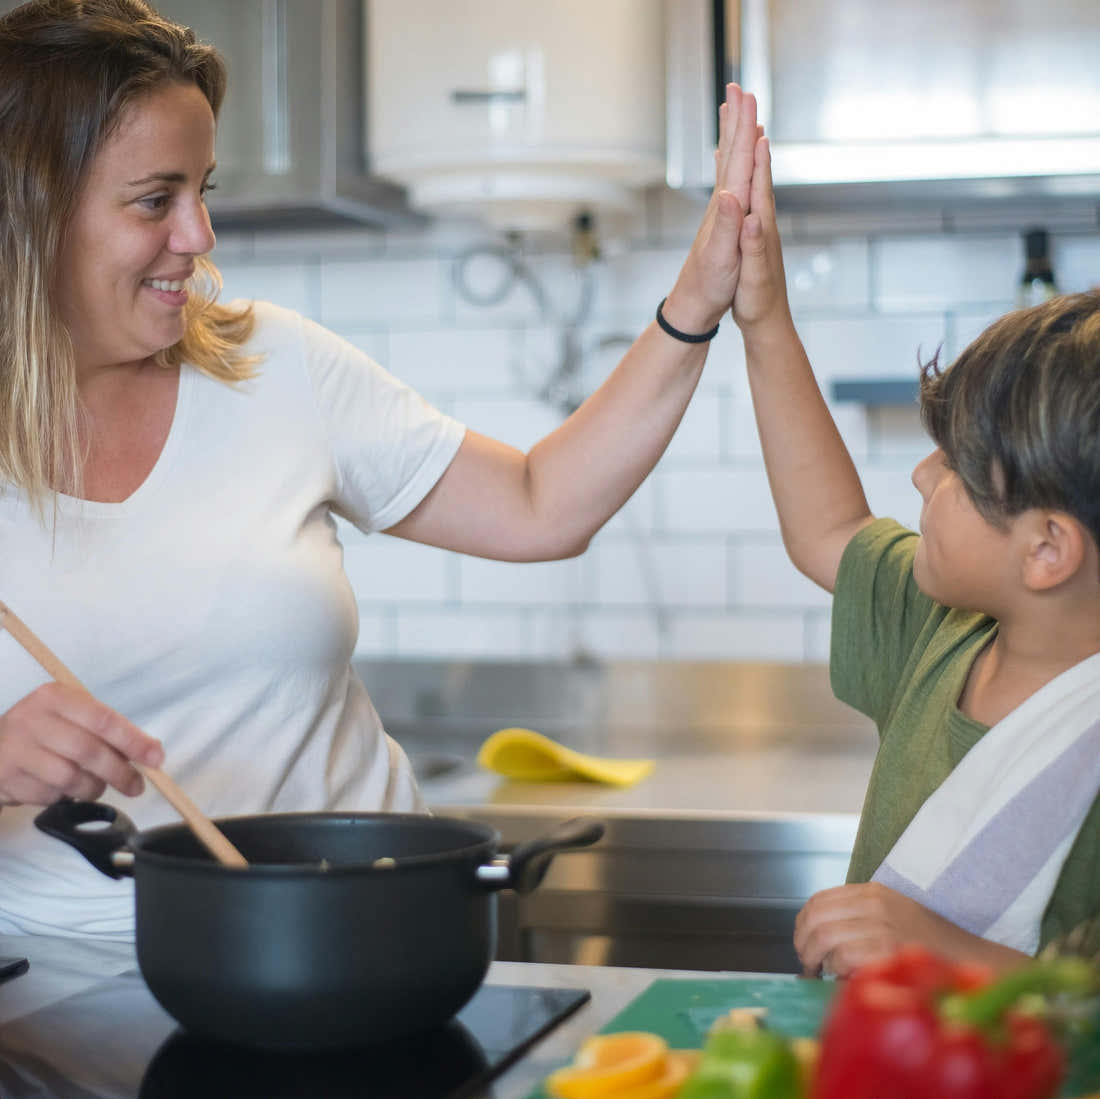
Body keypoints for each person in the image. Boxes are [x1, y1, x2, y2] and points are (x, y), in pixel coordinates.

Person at [0, 0, 759, 939]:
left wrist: (696, 302)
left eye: (203, 189)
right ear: (29, 214)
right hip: (70, 988)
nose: (199, 236)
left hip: (367, 939)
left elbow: (538, 506)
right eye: (156, 199)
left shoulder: (275, 366)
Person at [723, 87, 1100, 976]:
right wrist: (764, 313)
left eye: (958, 474)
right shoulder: (947, 629)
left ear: (1046, 551)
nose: (922, 476)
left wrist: (940, 950)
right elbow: (829, 529)